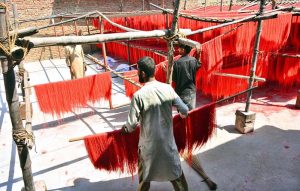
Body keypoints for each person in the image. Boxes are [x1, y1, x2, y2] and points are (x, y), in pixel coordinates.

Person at [121, 56, 189, 191]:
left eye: (138, 71)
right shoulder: (168, 89)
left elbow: (131, 125)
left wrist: (125, 129)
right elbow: (185, 110)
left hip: (148, 148)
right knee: (177, 177)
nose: (137, 73)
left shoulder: (139, 96)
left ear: (143, 73)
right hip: (167, 145)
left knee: (144, 179)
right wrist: (181, 116)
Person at [172, 44, 201, 111]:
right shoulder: (193, 60)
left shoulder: (176, 63)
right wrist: (199, 55)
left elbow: (174, 79)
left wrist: (166, 72)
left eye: (179, 48)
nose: (178, 49)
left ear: (183, 50)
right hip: (191, 92)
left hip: (180, 93)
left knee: (181, 115)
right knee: (191, 114)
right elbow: (198, 65)